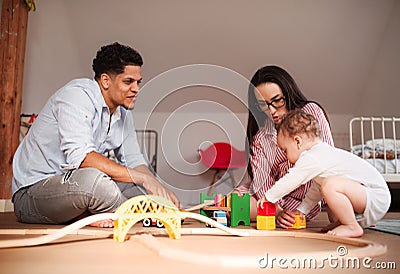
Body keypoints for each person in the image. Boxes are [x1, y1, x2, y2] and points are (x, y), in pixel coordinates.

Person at [12, 42, 181, 228]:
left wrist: (158, 191)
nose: (136, 89)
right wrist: (144, 180)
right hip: (32, 194)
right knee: (96, 182)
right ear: (106, 81)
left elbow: (134, 161)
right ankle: (110, 213)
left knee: (144, 194)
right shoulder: (77, 96)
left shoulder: (123, 114)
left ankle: (97, 212)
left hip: (76, 188)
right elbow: (83, 158)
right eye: (128, 82)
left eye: (138, 82)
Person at [258, 110, 391, 237]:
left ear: (297, 141)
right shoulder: (321, 157)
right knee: (325, 186)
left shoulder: (313, 156)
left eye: (285, 150)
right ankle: (345, 222)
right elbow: (315, 190)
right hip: (371, 196)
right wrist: (302, 211)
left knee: (330, 185)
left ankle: (351, 225)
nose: (286, 156)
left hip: (375, 196)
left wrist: (269, 196)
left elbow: (292, 179)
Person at [235, 65, 334, 228]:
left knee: (336, 188)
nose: (272, 111)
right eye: (263, 104)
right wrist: (277, 210)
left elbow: (326, 158)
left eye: (277, 101)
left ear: (288, 94)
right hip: (273, 198)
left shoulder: (310, 112)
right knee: (235, 201)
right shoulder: (261, 136)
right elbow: (263, 181)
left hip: (307, 197)